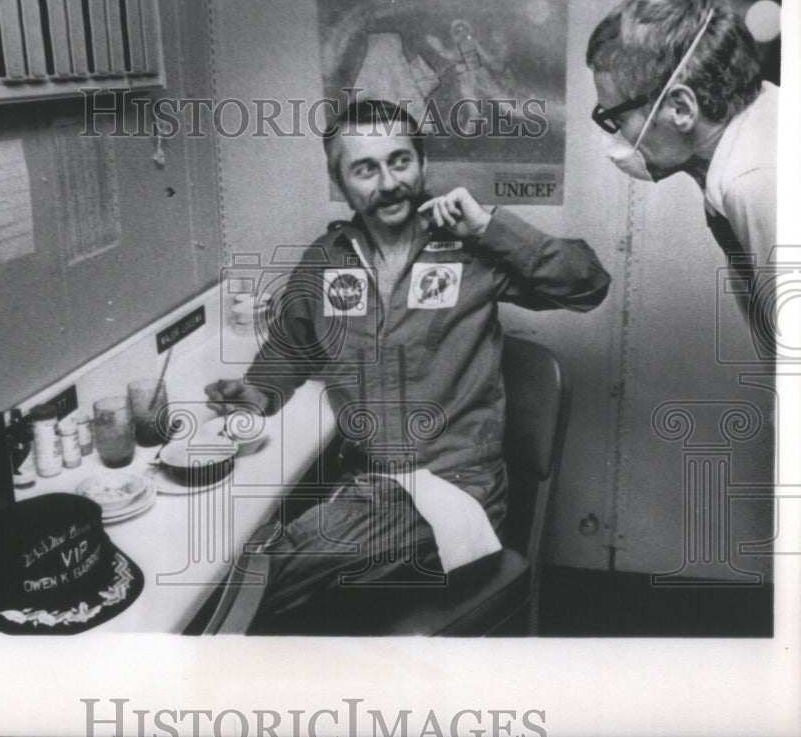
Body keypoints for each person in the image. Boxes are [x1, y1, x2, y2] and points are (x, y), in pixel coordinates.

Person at [206, 99, 611, 634]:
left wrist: (490, 226)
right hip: (370, 486)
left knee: (266, 570)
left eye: (400, 161)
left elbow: (588, 284)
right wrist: (256, 394)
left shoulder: (470, 250)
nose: (388, 181)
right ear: (341, 182)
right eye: (365, 168)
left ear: (423, 165)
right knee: (267, 567)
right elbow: (292, 344)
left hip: (456, 493)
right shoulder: (327, 260)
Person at [587, 0, 778, 351]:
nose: (617, 137)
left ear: (681, 108)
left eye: (618, 118)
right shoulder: (756, 132)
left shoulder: (755, 180)